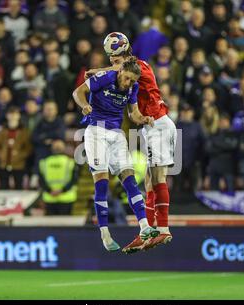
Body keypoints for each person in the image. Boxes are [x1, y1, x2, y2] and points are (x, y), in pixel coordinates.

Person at [85, 32, 177, 253]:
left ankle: (163, 228)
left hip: (158, 123)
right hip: (150, 126)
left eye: (114, 58)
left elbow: (119, 70)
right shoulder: (129, 69)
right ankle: (146, 232)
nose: (112, 63)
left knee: (157, 178)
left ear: (124, 53)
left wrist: (97, 72)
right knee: (148, 182)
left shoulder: (138, 67)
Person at [73, 57, 159, 252]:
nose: (128, 83)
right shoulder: (105, 77)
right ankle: (105, 233)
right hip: (96, 132)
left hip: (116, 134)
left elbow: (133, 114)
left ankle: (144, 226)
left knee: (129, 179)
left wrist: (144, 119)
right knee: (102, 183)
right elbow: (78, 92)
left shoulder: (132, 88)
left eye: (132, 81)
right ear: (120, 72)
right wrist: (84, 105)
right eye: (127, 78)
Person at [0, 106, 32, 189]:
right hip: (4, 163)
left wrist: (20, 155)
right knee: (3, 186)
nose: (13, 117)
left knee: (18, 186)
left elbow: (28, 148)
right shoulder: (2, 130)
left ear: (19, 116)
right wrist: (1, 155)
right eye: (11, 114)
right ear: (7, 116)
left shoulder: (24, 131)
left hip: (18, 164)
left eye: (15, 114)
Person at [39, 139, 79, 215]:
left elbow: (41, 181)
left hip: (50, 198)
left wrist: (50, 190)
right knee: (65, 225)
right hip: (67, 198)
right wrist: (62, 190)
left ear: (51, 149)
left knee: (50, 225)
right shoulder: (70, 162)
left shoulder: (44, 162)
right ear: (63, 148)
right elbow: (74, 180)